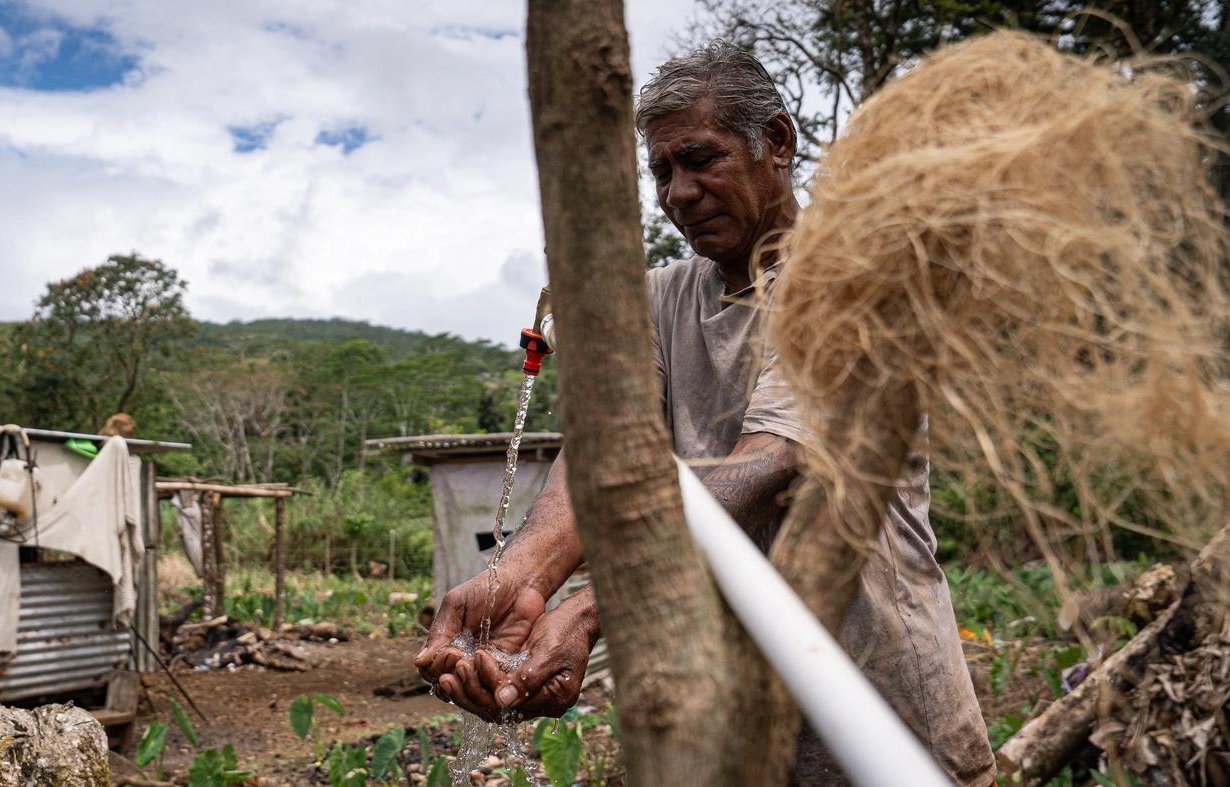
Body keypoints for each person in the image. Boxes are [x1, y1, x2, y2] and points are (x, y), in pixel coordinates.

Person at [413, 41, 996, 787]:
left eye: (700, 159)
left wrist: (591, 613)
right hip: (732, 731)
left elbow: (768, 465)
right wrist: (515, 580)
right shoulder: (659, 300)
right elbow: (602, 457)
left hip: (884, 718)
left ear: (777, 144)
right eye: (661, 170)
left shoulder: (850, 278)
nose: (677, 192)